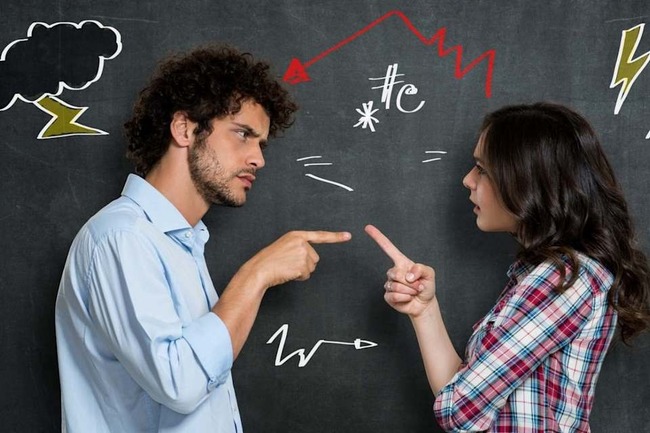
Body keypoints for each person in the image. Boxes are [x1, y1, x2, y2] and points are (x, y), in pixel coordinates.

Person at [55, 44, 351, 433]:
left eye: (261, 144)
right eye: (242, 134)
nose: (259, 159)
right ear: (184, 129)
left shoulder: (181, 242)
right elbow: (179, 384)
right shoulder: (122, 237)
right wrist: (257, 274)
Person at [365, 102, 650, 432]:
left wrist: (460, 402)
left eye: (482, 169)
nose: (467, 180)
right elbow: (467, 395)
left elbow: (460, 411)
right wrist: (424, 311)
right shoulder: (543, 276)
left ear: (529, 181)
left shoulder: (563, 280)